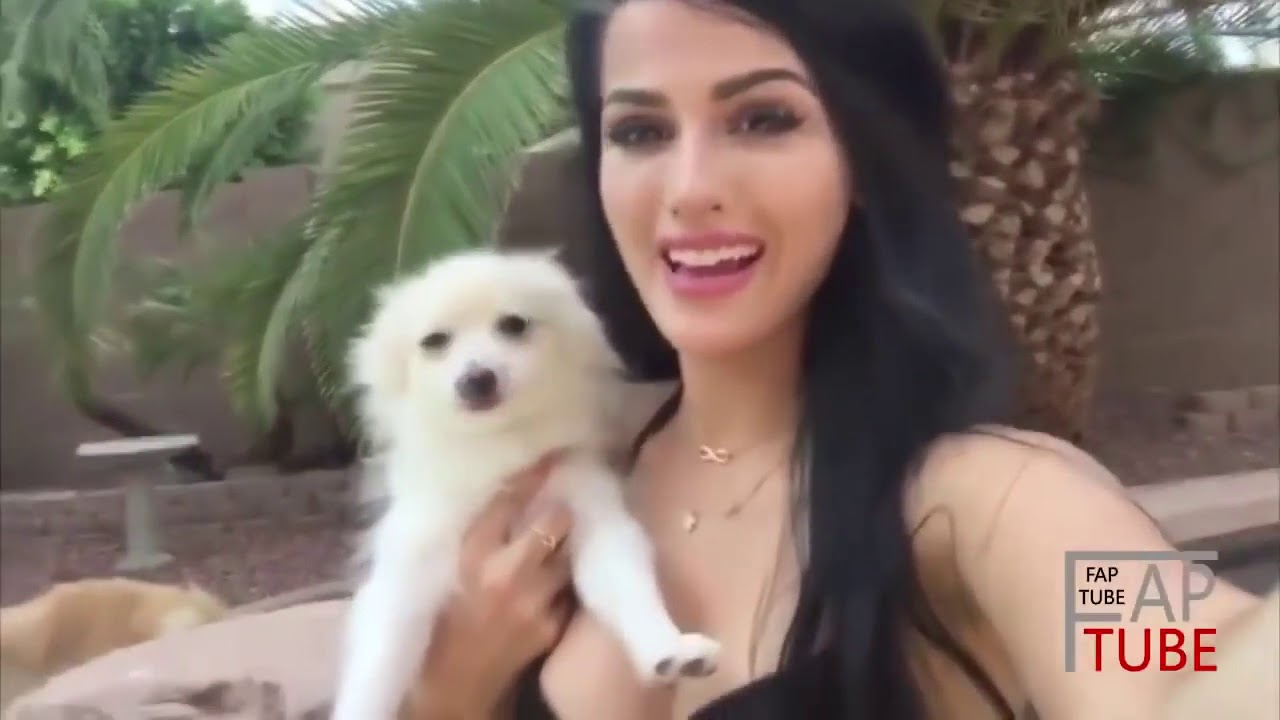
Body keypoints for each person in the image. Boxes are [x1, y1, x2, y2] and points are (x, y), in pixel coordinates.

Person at [400, 1, 1277, 718]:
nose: (689, 188)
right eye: (639, 131)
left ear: (864, 157)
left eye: (763, 119)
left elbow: (1188, 663)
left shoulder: (984, 498)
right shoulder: (551, 483)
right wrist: (452, 692)